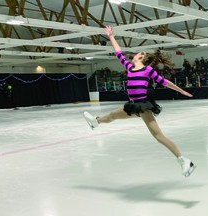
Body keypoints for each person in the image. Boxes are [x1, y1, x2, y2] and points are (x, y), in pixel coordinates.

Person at [83, 26, 196, 177]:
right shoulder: (129, 68)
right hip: (133, 106)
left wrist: (181, 90)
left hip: (143, 106)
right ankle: (95, 122)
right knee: (112, 116)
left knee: (158, 136)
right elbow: (118, 53)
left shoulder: (147, 70)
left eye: (137, 54)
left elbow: (165, 82)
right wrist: (111, 37)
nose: (133, 55)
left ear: (140, 57)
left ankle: (184, 160)